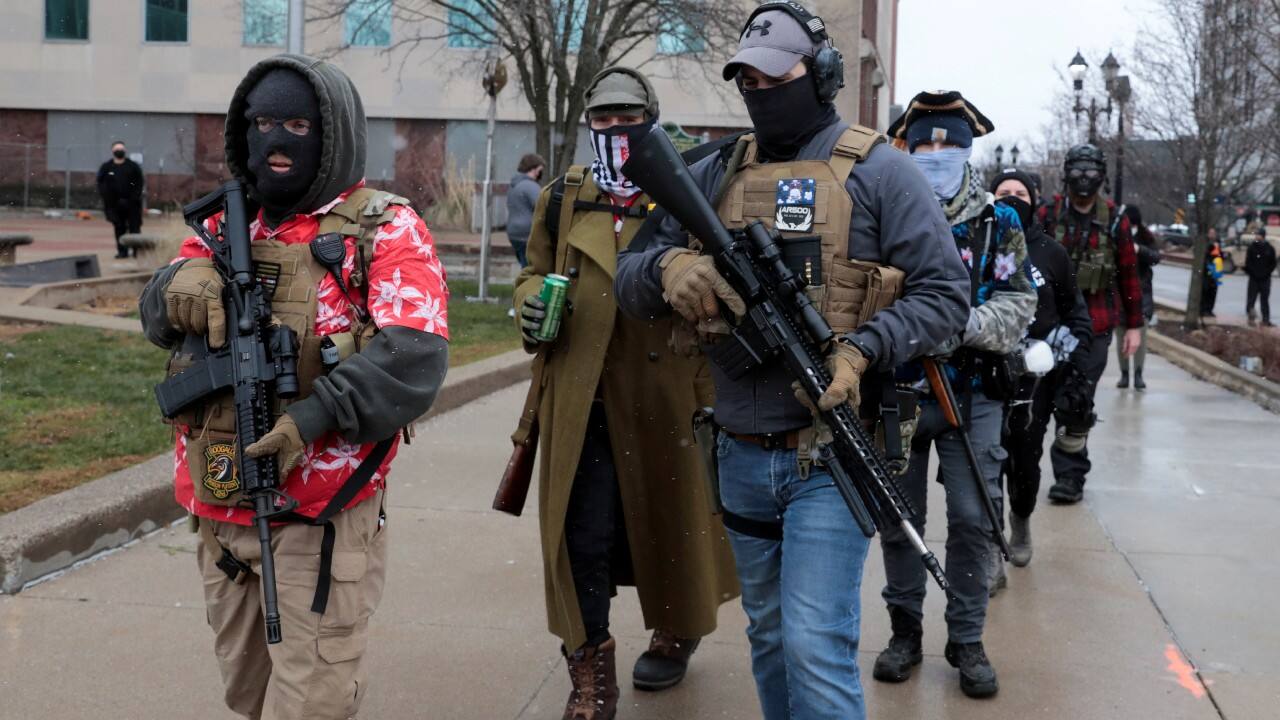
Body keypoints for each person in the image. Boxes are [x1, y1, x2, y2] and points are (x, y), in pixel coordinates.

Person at [615, 5, 969, 716]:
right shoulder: (714, 170)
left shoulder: (882, 172)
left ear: (825, 76)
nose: (759, 89)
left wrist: (864, 349)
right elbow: (629, 274)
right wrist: (669, 269)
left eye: (777, 75)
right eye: (746, 77)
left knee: (814, 644)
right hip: (740, 454)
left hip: (832, 456)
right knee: (771, 637)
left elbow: (945, 297)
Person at [138, 54, 450, 719]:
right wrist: (175, 290)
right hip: (219, 500)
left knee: (311, 702)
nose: (278, 142)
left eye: (298, 126)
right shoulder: (224, 225)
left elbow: (414, 357)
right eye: (264, 123)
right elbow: (156, 319)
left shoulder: (386, 229)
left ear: (332, 133)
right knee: (247, 693)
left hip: (321, 509)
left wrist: (310, 421)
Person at [513, 65, 738, 720]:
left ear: (652, 122)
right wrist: (530, 305)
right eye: (603, 123)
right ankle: (591, 674)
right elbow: (533, 273)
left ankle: (678, 630)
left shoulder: (682, 191)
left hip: (667, 391)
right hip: (581, 398)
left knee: (672, 528)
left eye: (628, 122)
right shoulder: (562, 197)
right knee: (579, 536)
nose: (615, 133)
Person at [873, 94, 1036, 699]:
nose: (937, 154)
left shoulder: (1000, 221)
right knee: (899, 519)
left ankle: (966, 638)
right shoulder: (885, 213)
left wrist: (961, 323)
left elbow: (1020, 303)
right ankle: (905, 631)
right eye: (926, 144)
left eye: (949, 144)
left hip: (974, 393)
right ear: (908, 148)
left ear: (969, 149)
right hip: (902, 392)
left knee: (972, 519)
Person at [990, 168, 1092, 569]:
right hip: (984, 375)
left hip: (1035, 383)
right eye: (1003, 192)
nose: (1012, 198)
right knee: (984, 461)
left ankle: (1021, 519)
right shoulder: (978, 244)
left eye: (1021, 193)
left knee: (1024, 463)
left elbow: (1077, 316)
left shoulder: (1052, 252)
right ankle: (989, 547)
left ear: (1034, 201)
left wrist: (1061, 354)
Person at [1043, 144, 1142, 504]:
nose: (1083, 179)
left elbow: (1129, 276)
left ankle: (1070, 477)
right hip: (1047, 325)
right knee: (1035, 403)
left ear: (1100, 176)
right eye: (1078, 170)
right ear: (1067, 173)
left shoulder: (1115, 219)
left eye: (1090, 171)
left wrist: (1134, 326)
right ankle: (1021, 471)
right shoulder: (1047, 213)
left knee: (1076, 401)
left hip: (1096, 325)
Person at [1116, 205, 1159, 389]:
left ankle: (1138, 374)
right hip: (1120, 294)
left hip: (1142, 295)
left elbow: (1155, 257)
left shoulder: (1146, 236)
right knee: (1121, 338)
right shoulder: (1116, 233)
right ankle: (1124, 374)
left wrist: (1138, 249)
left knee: (1140, 338)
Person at [96, 140, 144, 258]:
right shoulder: (106, 167)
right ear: (112, 151)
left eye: (121, 149)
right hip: (114, 205)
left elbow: (139, 182)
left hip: (132, 204)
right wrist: (108, 198)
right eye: (117, 149)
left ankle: (136, 251)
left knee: (134, 227)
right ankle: (122, 251)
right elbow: (101, 183)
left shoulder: (132, 166)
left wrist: (133, 197)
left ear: (125, 150)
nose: (119, 151)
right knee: (119, 227)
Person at [506, 152, 544, 268]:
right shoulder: (530, 186)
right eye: (540, 169)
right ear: (534, 169)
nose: (541, 173)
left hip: (514, 233)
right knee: (531, 269)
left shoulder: (515, 184)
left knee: (525, 266)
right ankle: (526, 285)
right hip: (527, 234)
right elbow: (542, 207)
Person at [1245, 227, 1277, 326]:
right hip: (1254, 278)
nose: (1256, 236)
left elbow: (1273, 263)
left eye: (1258, 234)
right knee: (1251, 300)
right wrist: (1253, 273)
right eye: (1256, 234)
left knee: (1265, 300)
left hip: (1265, 279)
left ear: (1262, 236)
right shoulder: (1252, 247)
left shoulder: (1269, 248)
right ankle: (1251, 319)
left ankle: (1265, 320)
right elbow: (1248, 263)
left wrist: (1266, 273)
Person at [1201, 228, 1222, 317]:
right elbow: (1205, 256)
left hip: (1215, 271)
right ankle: (1203, 309)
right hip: (1207, 271)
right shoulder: (1205, 243)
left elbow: (1219, 257)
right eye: (1211, 233)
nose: (1212, 235)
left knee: (1213, 292)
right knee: (1205, 290)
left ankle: (1209, 309)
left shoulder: (1217, 244)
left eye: (1214, 233)